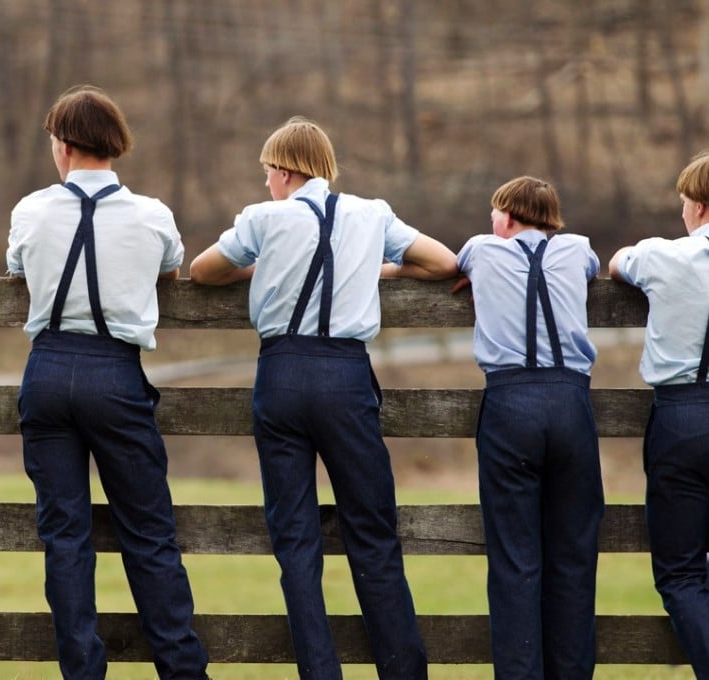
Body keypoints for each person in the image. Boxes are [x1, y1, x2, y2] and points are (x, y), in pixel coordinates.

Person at [190, 116, 456, 680]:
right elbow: (444, 263)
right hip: (345, 377)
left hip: (282, 374)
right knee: (374, 533)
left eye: (267, 172)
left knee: (295, 540)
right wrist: (376, 269)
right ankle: (403, 672)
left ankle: (319, 673)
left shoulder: (265, 218)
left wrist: (261, 269)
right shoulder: (371, 213)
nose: (265, 183)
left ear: (286, 170)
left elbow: (203, 270)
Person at [6, 85, 209, 680]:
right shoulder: (151, 214)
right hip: (116, 374)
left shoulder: (31, 210)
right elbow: (171, 267)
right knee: (148, 532)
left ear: (64, 146)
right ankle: (182, 670)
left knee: (64, 537)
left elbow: (17, 267)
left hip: (46, 371)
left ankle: (83, 673)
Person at [455, 176, 604, 678]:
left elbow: (454, 263)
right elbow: (587, 269)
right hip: (569, 403)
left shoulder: (481, 249)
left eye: (496, 213)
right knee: (574, 556)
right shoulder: (578, 248)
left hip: (510, 403)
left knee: (515, 561)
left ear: (509, 218)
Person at [609, 151, 709, 678]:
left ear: (696, 206)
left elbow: (617, 262)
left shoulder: (664, 256)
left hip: (683, 416)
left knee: (681, 575)